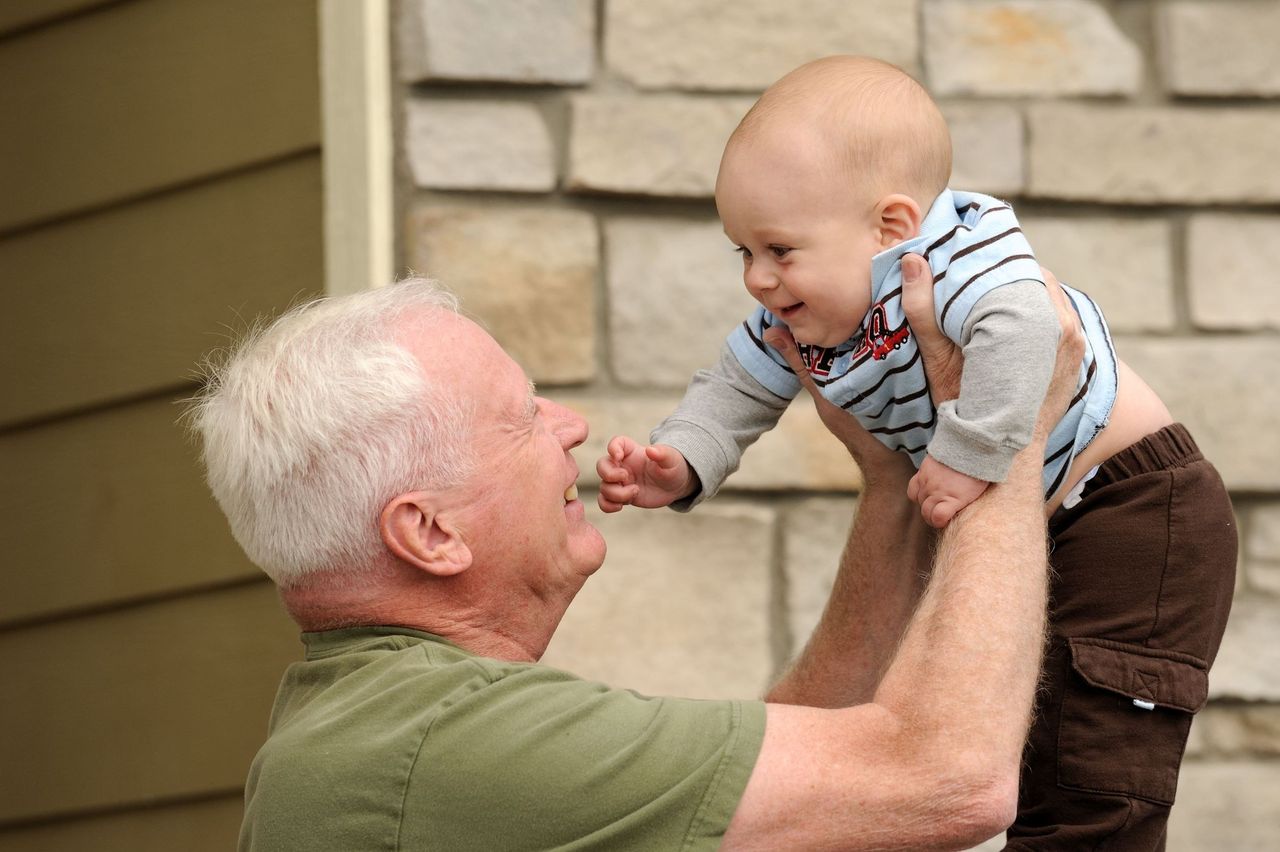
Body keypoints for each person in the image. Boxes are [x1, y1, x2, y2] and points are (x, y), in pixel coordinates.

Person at [192, 271, 1082, 851]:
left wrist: (891, 481)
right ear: (430, 534)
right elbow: (947, 777)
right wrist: (1006, 431)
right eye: (521, 417)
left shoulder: (383, 728)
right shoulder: (447, 745)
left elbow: (795, 792)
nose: (570, 425)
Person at [596, 56, 1237, 849]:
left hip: (1132, 505)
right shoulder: (807, 311)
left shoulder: (961, 259)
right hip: (1038, 510)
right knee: (1004, 731)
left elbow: (1030, 332)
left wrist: (966, 451)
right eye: (742, 253)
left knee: (1089, 776)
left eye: (779, 249)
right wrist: (684, 456)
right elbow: (738, 382)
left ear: (892, 226)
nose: (759, 280)